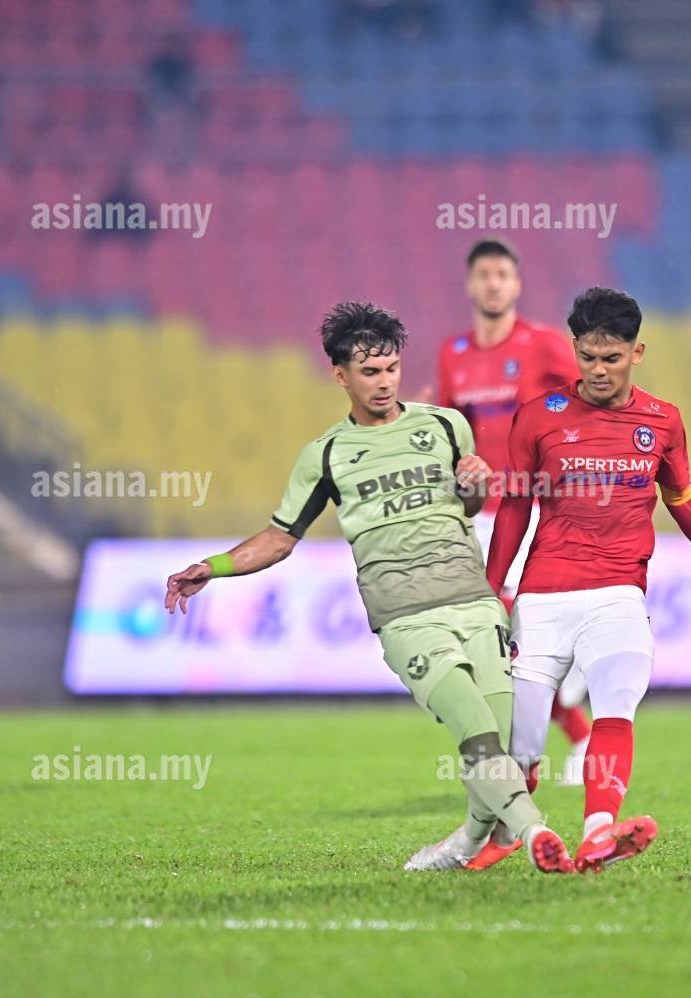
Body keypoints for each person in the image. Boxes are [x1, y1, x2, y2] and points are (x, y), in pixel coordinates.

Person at [163, 301, 574, 874]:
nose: (384, 382)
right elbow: (280, 538)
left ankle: (464, 844)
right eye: (369, 372)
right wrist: (214, 566)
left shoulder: (445, 426)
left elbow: (469, 504)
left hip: (476, 604)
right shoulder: (327, 455)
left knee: (501, 748)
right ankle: (537, 835)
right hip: (406, 617)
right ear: (341, 375)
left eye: (391, 368)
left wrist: (476, 485)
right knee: (476, 733)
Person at [479, 287, 691, 872]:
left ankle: (597, 833)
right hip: (544, 595)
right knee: (524, 748)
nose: (598, 370)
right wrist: (492, 592)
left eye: (611, 358)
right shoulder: (537, 417)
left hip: (619, 593)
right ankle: (507, 834)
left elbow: (683, 499)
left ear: (637, 353)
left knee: (616, 706)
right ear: (575, 350)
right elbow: (513, 506)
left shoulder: (662, 421)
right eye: (588, 357)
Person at [436, 238, 594, 794]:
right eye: (484, 274)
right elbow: (451, 429)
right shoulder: (453, 352)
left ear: (516, 284)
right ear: (470, 284)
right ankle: (567, 735)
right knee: (499, 635)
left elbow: (591, 398)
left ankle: (565, 731)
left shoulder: (543, 344)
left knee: (519, 631)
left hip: (534, 507)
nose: (493, 283)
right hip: (480, 513)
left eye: (502, 274)